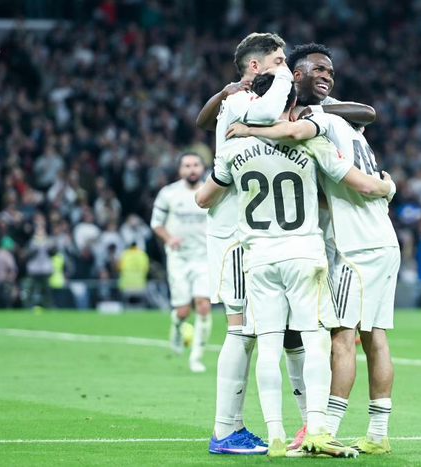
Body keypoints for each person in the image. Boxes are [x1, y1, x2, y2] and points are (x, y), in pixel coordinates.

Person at [198, 72, 393, 457]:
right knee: (315, 342)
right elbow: (356, 184)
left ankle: (274, 435)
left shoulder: (232, 149)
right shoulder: (311, 143)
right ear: (290, 102)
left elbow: (204, 198)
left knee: (268, 345)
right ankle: (316, 429)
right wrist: (388, 186)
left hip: (258, 258)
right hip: (304, 254)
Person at [195, 32, 292, 455]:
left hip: (250, 231)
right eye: (279, 60)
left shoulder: (241, 101)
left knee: (250, 331)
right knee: (240, 330)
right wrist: (285, 79)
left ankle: (232, 428)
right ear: (256, 66)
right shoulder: (242, 100)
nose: (286, 66)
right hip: (235, 233)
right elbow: (269, 112)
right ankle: (225, 431)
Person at [151, 153, 211, 373]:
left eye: (196, 165)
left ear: (202, 168)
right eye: (187, 165)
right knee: (183, 311)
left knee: (203, 305)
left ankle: (196, 358)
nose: (192, 169)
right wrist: (169, 238)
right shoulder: (169, 193)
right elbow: (156, 223)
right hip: (178, 257)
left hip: (204, 256)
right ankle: (176, 327)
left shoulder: (211, 190)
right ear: (180, 170)